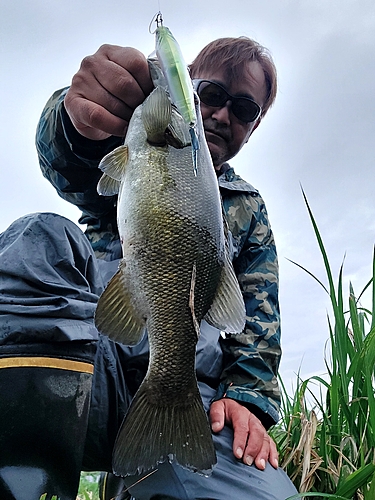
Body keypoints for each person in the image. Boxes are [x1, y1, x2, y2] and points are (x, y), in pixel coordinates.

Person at [0, 36, 297, 500]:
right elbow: (66, 163)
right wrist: (76, 119)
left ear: (253, 127)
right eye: (212, 96)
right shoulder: (133, 143)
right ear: (187, 87)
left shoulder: (248, 210)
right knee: (38, 236)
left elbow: (257, 321)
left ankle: (151, 466)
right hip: (87, 361)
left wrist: (247, 400)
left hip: (189, 394)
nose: (221, 115)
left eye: (242, 109)